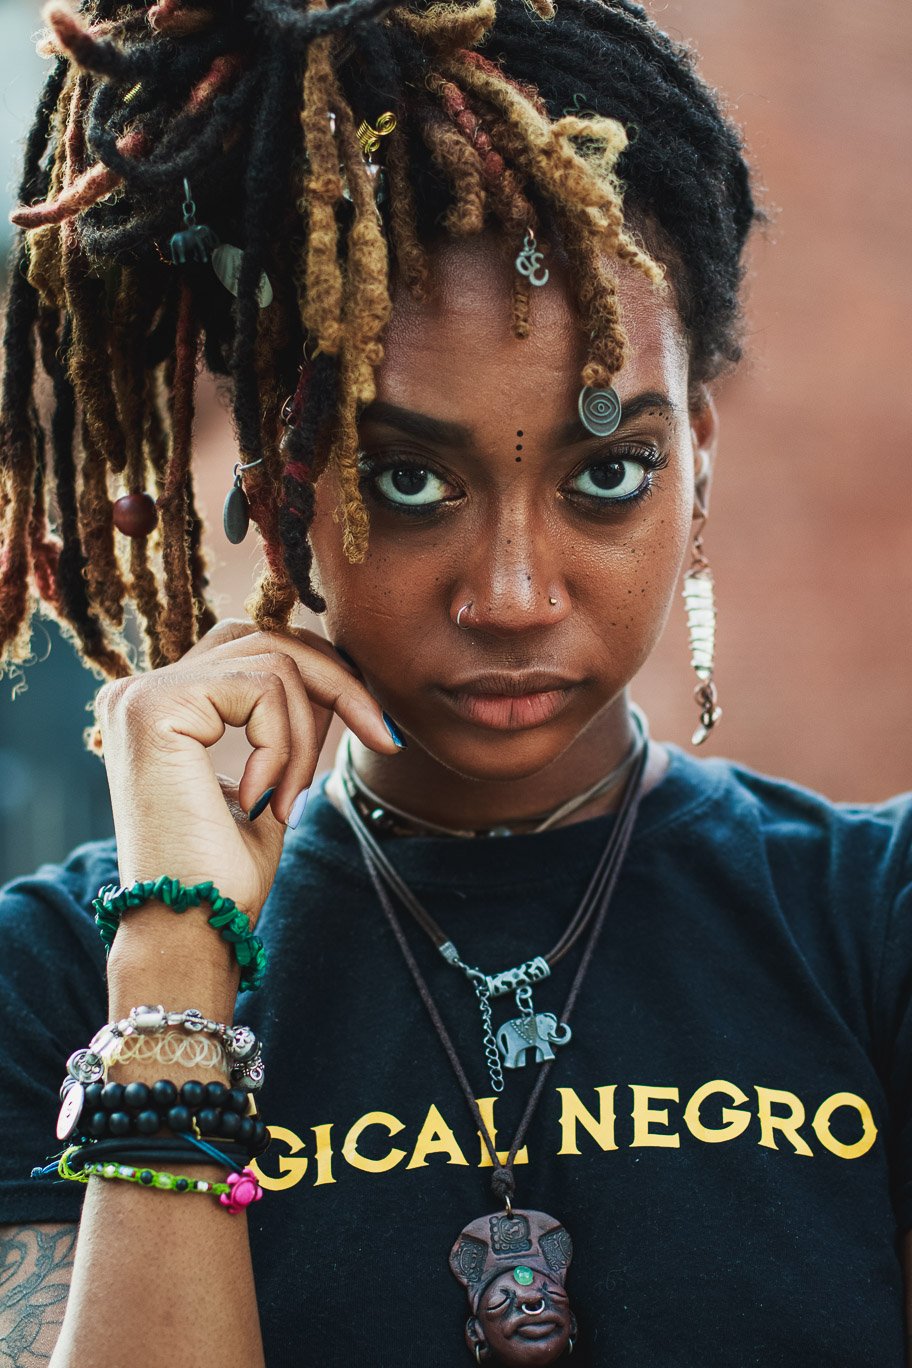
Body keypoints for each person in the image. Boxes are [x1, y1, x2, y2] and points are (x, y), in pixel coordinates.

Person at [0, 0, 908, 1364]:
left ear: (699, 459)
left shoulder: (872, 925)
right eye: (409, 480)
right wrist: (176, 960)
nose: (514, 596)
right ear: (277, 480)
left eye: (608, 478)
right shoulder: (57, 980)